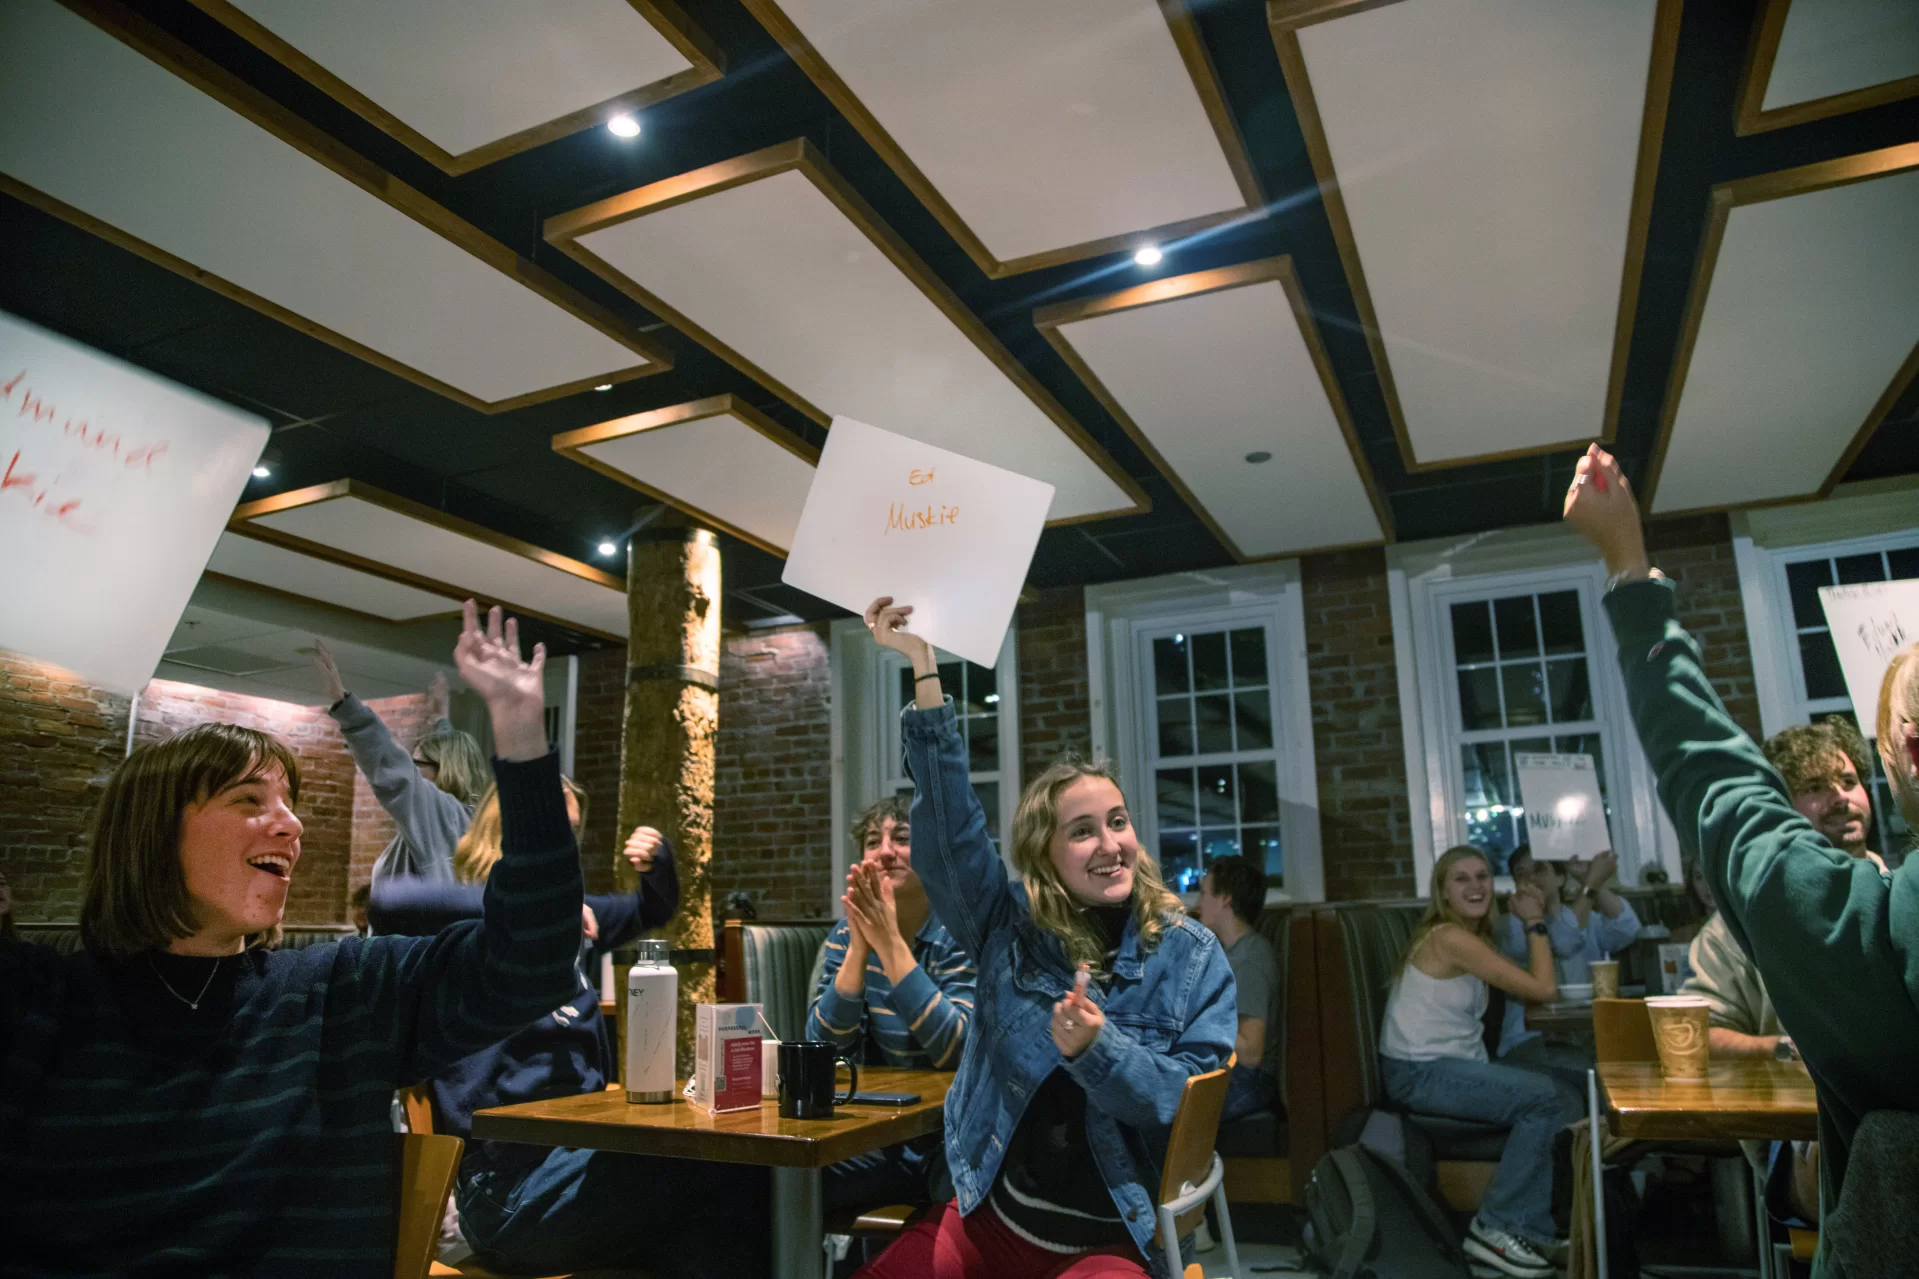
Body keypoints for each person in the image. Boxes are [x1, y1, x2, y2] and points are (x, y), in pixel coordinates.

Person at [1, 601, 586, 1273]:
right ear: (153, 833)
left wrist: (518, 732)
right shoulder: (40, 1003)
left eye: (289, 803)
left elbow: (532, 957)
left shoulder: (340, 994)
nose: (290, 825)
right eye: (249, 801)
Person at [1562, 443, 1919, 1271]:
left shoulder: (1868, 917)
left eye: (1849, 779)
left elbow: (1717, 784)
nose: (1840, 801)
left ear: (1897, 761)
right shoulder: (1813, 918)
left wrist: (1627, 566)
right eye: (1816, 790)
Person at [855, 596, 1235, 1279]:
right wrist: (922, 664)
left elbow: (1182, 1104)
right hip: (990, 1222)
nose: (1110, 843)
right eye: (1082, 830)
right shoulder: (1010, 931)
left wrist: (1097, 1047)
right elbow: (949, 835)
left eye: (1117, 821)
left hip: (1109, 1240)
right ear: (1044, 855)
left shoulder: (1190, 955)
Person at [370, 790, 737, 1276]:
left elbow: (653, 908)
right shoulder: (459, 931)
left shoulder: (569, 916)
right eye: (549, 827)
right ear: (503, 834)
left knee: (726, 1185)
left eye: (569, 829)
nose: (563, 843)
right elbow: (386, 901)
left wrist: (657, 863)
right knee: (711, 1176)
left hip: (577, 1156)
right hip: (506, 1190)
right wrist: (527, 909)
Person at [1378, 844, 1578, 1278]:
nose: (1475, 886)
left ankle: (1542, 1225)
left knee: (1577, 1084)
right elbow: (1543, 990)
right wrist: (1533, 920)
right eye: (1462, 879)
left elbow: (1539, 981)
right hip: (1419, 1073)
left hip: (1449, 1066)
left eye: (1482, 876)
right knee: (1550, 1100)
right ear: (1443, 892)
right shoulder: (1449, 939)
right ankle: (1499, 1227)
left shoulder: (1471, 937)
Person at [808, 795, 976, 1214]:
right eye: (872, 841)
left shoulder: (957, 932)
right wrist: (859, 951)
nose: (885, 851)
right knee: (780, 1190)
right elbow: (823, 1053)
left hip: (952, 1140)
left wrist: (890, 943)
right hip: (877, 1136)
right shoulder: (846, 935)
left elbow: (957, 1048)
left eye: (902, 838)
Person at [315, 641, 488, 887]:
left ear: (445, 769)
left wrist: (342, 703)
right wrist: (441, 720)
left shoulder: (438, 813)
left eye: (417, 763)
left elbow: (396, 770)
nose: (413, 770)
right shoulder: (467, 822)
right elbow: (442, 760)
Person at [1492, 845, 1639, 1078]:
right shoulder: (1515, 925)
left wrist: (1590, 880)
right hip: (1529, 1039)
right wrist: (1589, 885)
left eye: (1539, 869)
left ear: (1560, 878)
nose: (1530, 878)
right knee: (1589, 1072)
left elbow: (1627, 929)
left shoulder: (1588, 920)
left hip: (1585, 1033)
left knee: (1639, 1060)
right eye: (1521, 873)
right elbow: (1564, 941)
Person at [1193, 855, 1281, 1123]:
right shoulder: (1230, 952)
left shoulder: (1249, 960)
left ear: (1226, 900)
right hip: (1229, 1072)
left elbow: (1251, 1054)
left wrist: (1196, 1020)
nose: (1197, 904)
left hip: (1248, 1082)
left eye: (1205, 893)